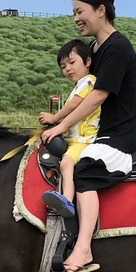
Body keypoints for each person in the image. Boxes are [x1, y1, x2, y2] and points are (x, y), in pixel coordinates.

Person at [40, 0, 136, 272]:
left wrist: (62, 125)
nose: (76, 18)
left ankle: (83, 247)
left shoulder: (118, 48)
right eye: (73, 13)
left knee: (83, 169)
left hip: (116, 135)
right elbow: (83, 91)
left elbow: (98, 95)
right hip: (94, 133)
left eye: (80, 11)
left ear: (101, 10)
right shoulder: (94, 49)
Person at [38, 39, 99, 208]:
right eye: (63, 66)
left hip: (84, 140)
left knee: (66, 163)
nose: (68, 69)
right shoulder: (79, 85)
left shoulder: (89, 81)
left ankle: (66, 199)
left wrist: (54, 119)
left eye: (72, 62)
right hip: (75, 139)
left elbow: (73, 105)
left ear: (87, 62)